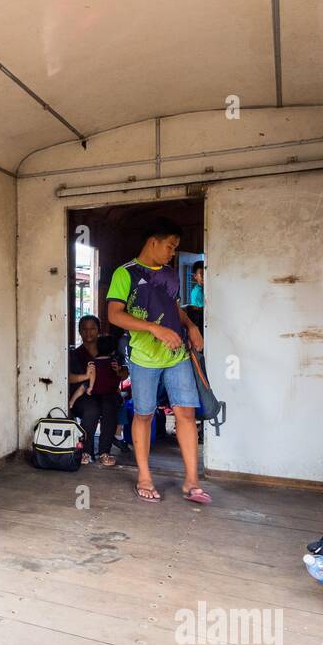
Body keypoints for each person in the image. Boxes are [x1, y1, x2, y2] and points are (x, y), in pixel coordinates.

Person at [105, 216, 209, 504]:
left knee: (185, 412)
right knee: (145, 414)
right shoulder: (125, 273)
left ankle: (191, 480)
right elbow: (114, 314)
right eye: (170, 246)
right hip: (144, 358)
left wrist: (190, 326)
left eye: (175, 248)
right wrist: (154, 328)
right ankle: (145, 476)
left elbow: (175, 309)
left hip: (176, 356)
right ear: (153, 242)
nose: (172, 252)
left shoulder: (170, 274)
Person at [68, 314, 126, 466]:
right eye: (84, 329)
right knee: (91, 409)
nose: (88, 333)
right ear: (79, 331)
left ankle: (104, 452)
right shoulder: (74, 354)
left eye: (92, 329)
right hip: (84, 395)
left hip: (107, 394)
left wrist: (118, 370)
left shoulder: (109, 350)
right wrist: (85, 377)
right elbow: (67, 377)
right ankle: (86, 451)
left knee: (109, 406)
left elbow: (125, 373)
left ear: (98, 330)